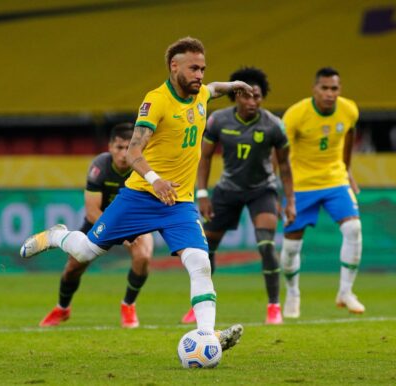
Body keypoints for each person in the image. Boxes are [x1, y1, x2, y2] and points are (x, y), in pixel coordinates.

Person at [21, 37, 252, 351]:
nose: (199, 74)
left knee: (200, 263)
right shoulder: (156, 101)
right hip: (141, 196)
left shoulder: (201, 95)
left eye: (203, 68)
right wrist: (156, 180)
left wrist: (233, 84)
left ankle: (207, 337)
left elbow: (214, 89)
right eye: (193, 68)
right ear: (174, 67)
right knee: (86, 252)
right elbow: (132, 151)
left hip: (179, 202)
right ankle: (57, 236)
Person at [181, 67, 296, 325]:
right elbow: (205, 157)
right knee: (205, 249)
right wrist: (202, 193)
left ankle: (273, 306)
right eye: (246, 96)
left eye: (257, 96)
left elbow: (285, 166)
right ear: (235, 96)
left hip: (262, 190)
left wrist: (290, 201)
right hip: (227, 190)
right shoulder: (218, 121)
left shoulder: (274, 125)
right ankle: (200, 304)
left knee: (266, 246)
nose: (252, 101)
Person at [38, 123, 154, 328]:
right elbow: (92, 212)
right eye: (119, 147)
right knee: (73, 267)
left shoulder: (143, 168)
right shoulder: (100, 167)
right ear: (110, 147)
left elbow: (149, 205)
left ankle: (128, 305)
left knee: (143, 255)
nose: (123, 153)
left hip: (133, 223)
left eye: (128, 147)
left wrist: (130, 230)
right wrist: (118, 232)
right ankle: (62, 308)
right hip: (100, 221)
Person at [280, 67, 364, 318]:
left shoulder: (349, 110)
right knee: (291, 247)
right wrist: (282, 191)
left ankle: (345, 292)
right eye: (324, 88)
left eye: (334, 89)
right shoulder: (295, 115)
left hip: (335, 180)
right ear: (314, 89)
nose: (329, 94)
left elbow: (349, 134)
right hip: (301, 185)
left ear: (340, 90)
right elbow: (280, 155)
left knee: (353, 229)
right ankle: (293, 292)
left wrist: (347, 170)